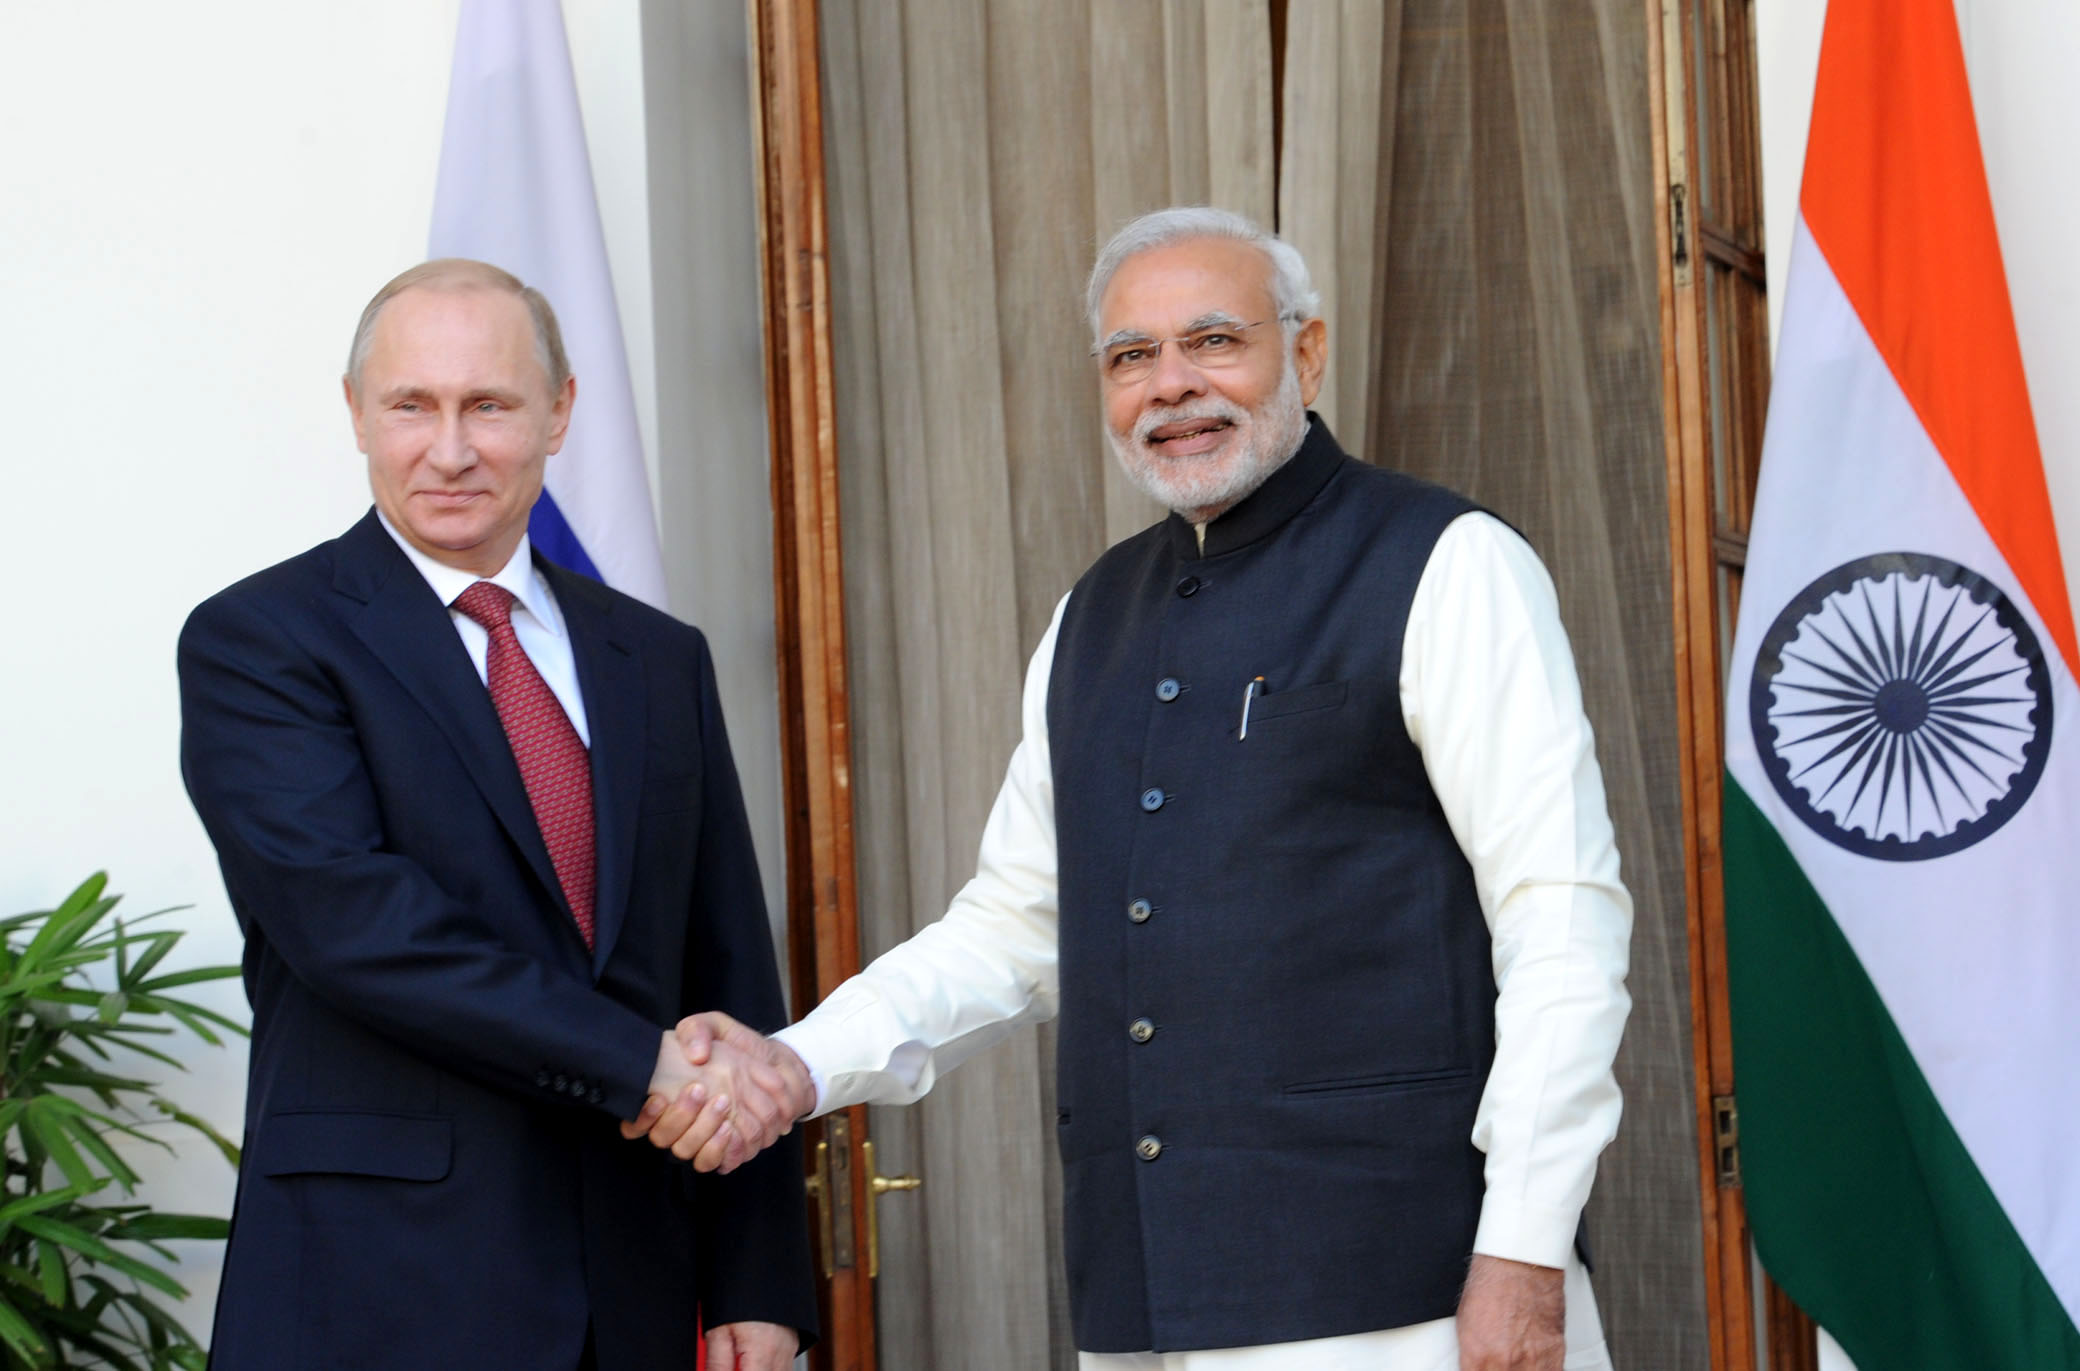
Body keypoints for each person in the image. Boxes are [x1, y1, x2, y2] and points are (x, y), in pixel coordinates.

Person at [643, 207, 1633, 1371]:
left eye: (1214, 341)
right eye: (1130, 358)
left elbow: (1562, 924)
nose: (1171, 386)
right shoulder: (1088, 619)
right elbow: (1012, 932)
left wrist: (1523, 1245)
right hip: (1144, 1307)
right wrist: (795, 1064)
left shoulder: (1450, 564)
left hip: (1404, 1304)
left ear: (1305, 354)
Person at [177, 260, 814, 1371]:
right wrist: (649, 1068)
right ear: (357, 416)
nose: (451, 448)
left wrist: (757, 1277)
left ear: (560, 414)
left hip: (633, 1281)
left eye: (491, 405)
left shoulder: (656, 659)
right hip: (376, 1284)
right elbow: (359, 929)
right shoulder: (263, 642)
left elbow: (725, 969)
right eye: (412, 405)